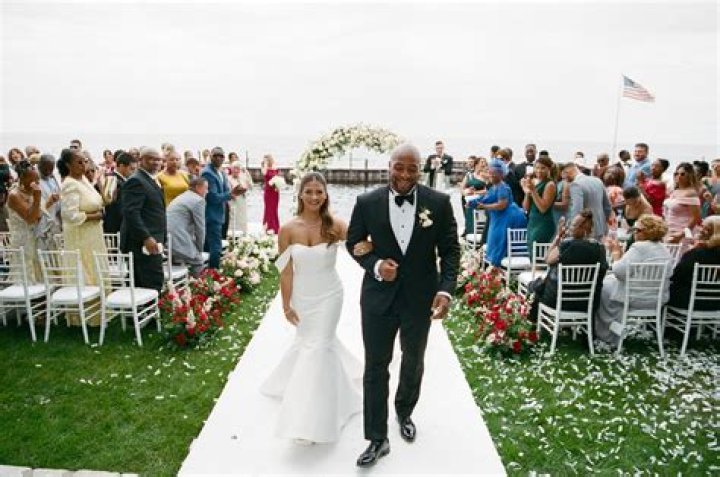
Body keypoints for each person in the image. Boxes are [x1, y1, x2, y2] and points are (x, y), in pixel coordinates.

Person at [346, 143, 460, 467]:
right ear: (389, 166)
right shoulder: (366, 202)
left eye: (412, 168)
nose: (405, 174)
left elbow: (450, 251)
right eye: (399, 167)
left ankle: (404, 411)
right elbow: (353, 242)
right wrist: (375, 264)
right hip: (378, 299)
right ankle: (377, 438)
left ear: (420, 170)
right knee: (375, 367)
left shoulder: (439, 203)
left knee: (413, 360)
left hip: (419, 300)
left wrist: (445, 291)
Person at [261, 172, 364, 444]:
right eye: (309, 191)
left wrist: (371, 245)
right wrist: (286, 305)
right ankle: (331, 394)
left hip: (330, 295)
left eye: (320, 192)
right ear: (300, 194)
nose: (315, 197)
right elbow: (285, 271)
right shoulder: (287, 229)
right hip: (303, 297)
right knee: (311, 345)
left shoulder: (336, 225)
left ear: (326, 195)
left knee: (318, 348)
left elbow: (361, 242)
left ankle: (307, 423)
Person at [596, 214, 672, 345]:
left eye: (638, 230)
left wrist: (616, 254)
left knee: (601, 287)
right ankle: (612, 327)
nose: (634, 233)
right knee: (609, 284)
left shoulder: (639, 247)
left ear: (648, 232)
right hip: (657, 299)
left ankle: (609, 331)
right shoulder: (664, 249)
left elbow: (619, 272)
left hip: (635, 298)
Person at [529, 209, 608, 323]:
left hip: (558, 300)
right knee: (538, 286)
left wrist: (558, 237)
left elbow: (547, 259)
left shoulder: (566, 246)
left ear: (583, 229)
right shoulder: (600, 249)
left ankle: (533, 323)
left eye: (573, 225)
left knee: (536, 288)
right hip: (586, 303)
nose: (570, 227)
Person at [59, 149, 107, 325]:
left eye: (85, 161)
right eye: (79, 162)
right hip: (80, 235)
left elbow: (96, 201)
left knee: (96, 266)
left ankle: (101, 310)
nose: (83, 165)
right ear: (68, 165)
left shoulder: (84, 180)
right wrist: (95, 216)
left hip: (93, 234)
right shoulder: (69, 184)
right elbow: (69, 215)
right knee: (85, 268)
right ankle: (85, 315)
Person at [120, 147, 166, 292]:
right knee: (149, 283)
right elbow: (131, 213)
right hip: (141, 242)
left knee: (151, 281)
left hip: (153, 239)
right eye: (151, 159)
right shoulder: (136, 181)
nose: (156, 162)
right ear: (141, 160)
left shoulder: (150, 179)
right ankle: (150, 307)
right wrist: (146, 237)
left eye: (158, 159)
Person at [468, 159, 528, 266]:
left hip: (506, 218)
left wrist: (484, 206)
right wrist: (472, 202)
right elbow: (486, 198)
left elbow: (502, 205)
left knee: (499, 242)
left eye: (493, 174)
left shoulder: (503, 187)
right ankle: (493, 268)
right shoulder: (494, 187)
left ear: (501, 174)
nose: (490, 175)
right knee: (494, 241)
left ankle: (497, 268)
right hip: (497, 218)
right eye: (490, 173)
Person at [667, 215, 720, 310]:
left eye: (703, 227)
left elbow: (676, 276)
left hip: (690, 301)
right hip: (716, 302)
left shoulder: (696, 254)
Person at [202, 147, 241, 269]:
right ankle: (214, 272)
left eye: (221, 156)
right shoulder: (207, 173)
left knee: (211, 245)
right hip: (211, 215)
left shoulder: (222, 171)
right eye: (215, 155)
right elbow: (212, 197)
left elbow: (225, 190)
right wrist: (230, 195)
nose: (218, 158)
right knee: (215, 247)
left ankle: (207, 273)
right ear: (210, 156)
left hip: (221, 213)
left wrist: (234, 191)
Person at [6, 160, 43, 282]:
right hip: (23, 239)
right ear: (23, 178)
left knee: (38, 272)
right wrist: (37, 198)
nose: (37, 183)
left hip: (35, 236)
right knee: (25, 273)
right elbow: (30, 218)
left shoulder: (32, 192)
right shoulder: (14, 195)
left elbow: (39, 215)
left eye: (38, 179)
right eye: (34, 180)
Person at [166, 177, 208, 277]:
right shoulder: (198, 200)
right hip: (177, 239)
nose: (207, 191)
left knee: (179, 260)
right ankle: (199, 285)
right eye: (206, 188)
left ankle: (180, 285)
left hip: (167, 239)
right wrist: (199, 250)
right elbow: (200, 228)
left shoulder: (183, 196)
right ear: (198, 187)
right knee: (198, 261)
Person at [564, 162, 612, 241]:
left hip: (585, 231)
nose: (564, 179)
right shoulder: (597, 180)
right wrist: (602, 222)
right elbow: (607, 207)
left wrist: (571, 230)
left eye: (564, 175)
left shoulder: (575, 185)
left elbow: (577, 210)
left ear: (568, 172)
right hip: (601, 229)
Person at [522, 155, 556, 257]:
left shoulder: (550, 184)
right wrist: (527, 192)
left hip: (543, 224)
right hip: (532, 222)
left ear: (549, 169)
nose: (539, 171)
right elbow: (525, 208)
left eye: (543, 168)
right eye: (537, 167)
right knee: (532, 254)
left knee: (538, 256)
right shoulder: (535, 182)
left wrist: (533, 190)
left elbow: (543, 208)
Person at [663, 162, 701, 244]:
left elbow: (695, 218)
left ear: (689, 176)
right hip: (669, 230)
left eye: (682, 174)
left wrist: (682, 234)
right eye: (676, 174)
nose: (679, 176)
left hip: (683, 233)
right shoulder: (674, 191)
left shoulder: (690, 193)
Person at [102, 151, 137, 234]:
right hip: (115, 227)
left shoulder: (121, 181)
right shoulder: (113, 180)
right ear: (121, 166)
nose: (134, 172)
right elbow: (112, 205)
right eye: (132, 169)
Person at [36, 154, 62, 250]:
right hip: (41, 224)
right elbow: (36, 207)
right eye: (45, 169)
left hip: (55, 222)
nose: (48, 171)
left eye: (51, 169)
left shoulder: (53, 180)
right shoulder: (35, 182)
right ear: (39, 166)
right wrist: (49, 202)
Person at [460, 156, 487, 236]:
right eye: (482, 162)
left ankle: (479, 233)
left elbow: (487, 190)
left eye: (485, 163)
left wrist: (475, 192)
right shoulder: (469, 175)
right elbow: (462, 188)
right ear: (476, 164)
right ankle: (469, 232)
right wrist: (465, 192)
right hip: (468, 198)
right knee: (468, 211)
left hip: (480, 200)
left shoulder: (485, 176)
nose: (483, 164)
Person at [227, 160, 253, 235]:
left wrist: (247, 173)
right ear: (231, 169)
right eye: (234, 168)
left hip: (242, 201)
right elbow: (227, 191)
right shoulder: (228, 179)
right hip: (233, 202)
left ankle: (243, 233)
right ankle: (232, 234)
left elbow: (251, 186)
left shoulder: (243, 178)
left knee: (242, 218)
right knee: (234, 218)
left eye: (238, 168)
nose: (236, 170)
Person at [261, 154, 281, 234]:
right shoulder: (264, 168)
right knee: (269, 209)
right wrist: (265, 164)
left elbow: (278, 177)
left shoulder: (274, 167)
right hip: (268, 192)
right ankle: (269, 227)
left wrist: (278, 185)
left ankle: (276, 227)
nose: (266, 161)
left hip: (275, 191)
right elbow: (265, 173)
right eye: (265, 159)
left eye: (267, 159)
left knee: (274, 209)